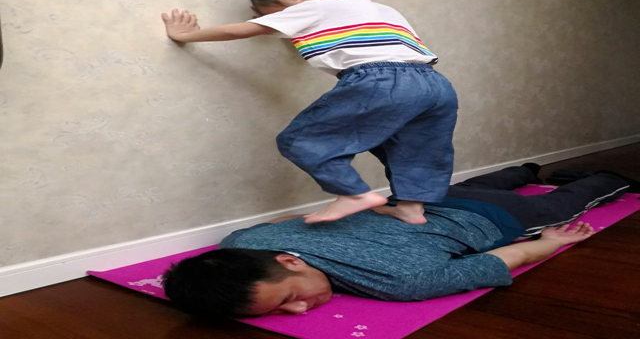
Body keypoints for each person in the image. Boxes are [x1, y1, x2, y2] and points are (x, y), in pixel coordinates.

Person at [160, 0, 458, 224]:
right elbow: (342, 35)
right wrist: (282, 20)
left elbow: (239, 31)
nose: (272, 21)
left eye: (271, 14)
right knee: (417, 147)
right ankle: (411, 208)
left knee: (302, 140)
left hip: (381, 80)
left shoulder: (314, 8)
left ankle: (354, 194)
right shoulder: (380, 9)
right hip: (434, 84)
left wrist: (186, 35)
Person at [162, 165, 630, 318]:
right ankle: (526, 169)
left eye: (288, 298)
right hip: (417, 197)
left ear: (288, 262)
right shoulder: (242, 240)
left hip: (495, 218)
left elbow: (508, 257)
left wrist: (550, 242)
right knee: (478, 183)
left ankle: (610, 175)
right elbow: (291, 219)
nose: (300, 310)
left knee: (570, 201)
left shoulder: (399, 282)